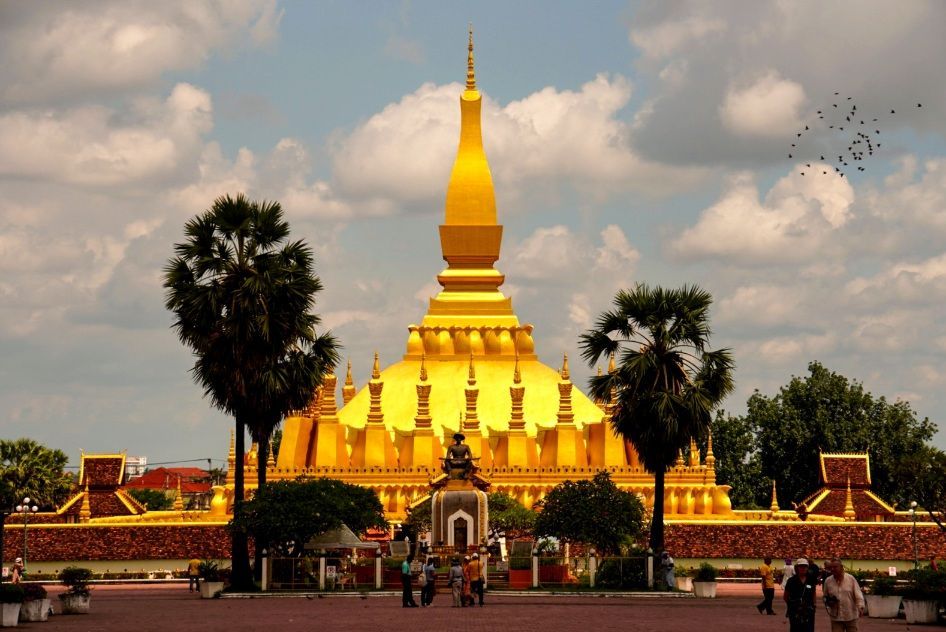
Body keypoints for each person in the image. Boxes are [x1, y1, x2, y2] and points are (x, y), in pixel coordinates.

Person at [822, 558, 865, 632]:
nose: (833, 569)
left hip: (850, 616)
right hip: (836, 617)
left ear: (841, 567)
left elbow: (858, 594)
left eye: (835, 567)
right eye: (831, 567)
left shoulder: (851, 579)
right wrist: (828, 602)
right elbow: (825, 596)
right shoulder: (828, 581)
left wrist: (860, 606)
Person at [784, 558, 817, 632]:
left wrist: (814, 605)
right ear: (797, 568)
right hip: (795, 610)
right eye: (801, 566)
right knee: (795, 629)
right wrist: (792, 605)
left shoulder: (811, 580)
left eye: (805, 566)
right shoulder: (791, 581)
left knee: (809, 629)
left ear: (807, 568)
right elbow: (785, 596)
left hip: (809, 610)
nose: (803, 568)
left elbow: (813, 593)